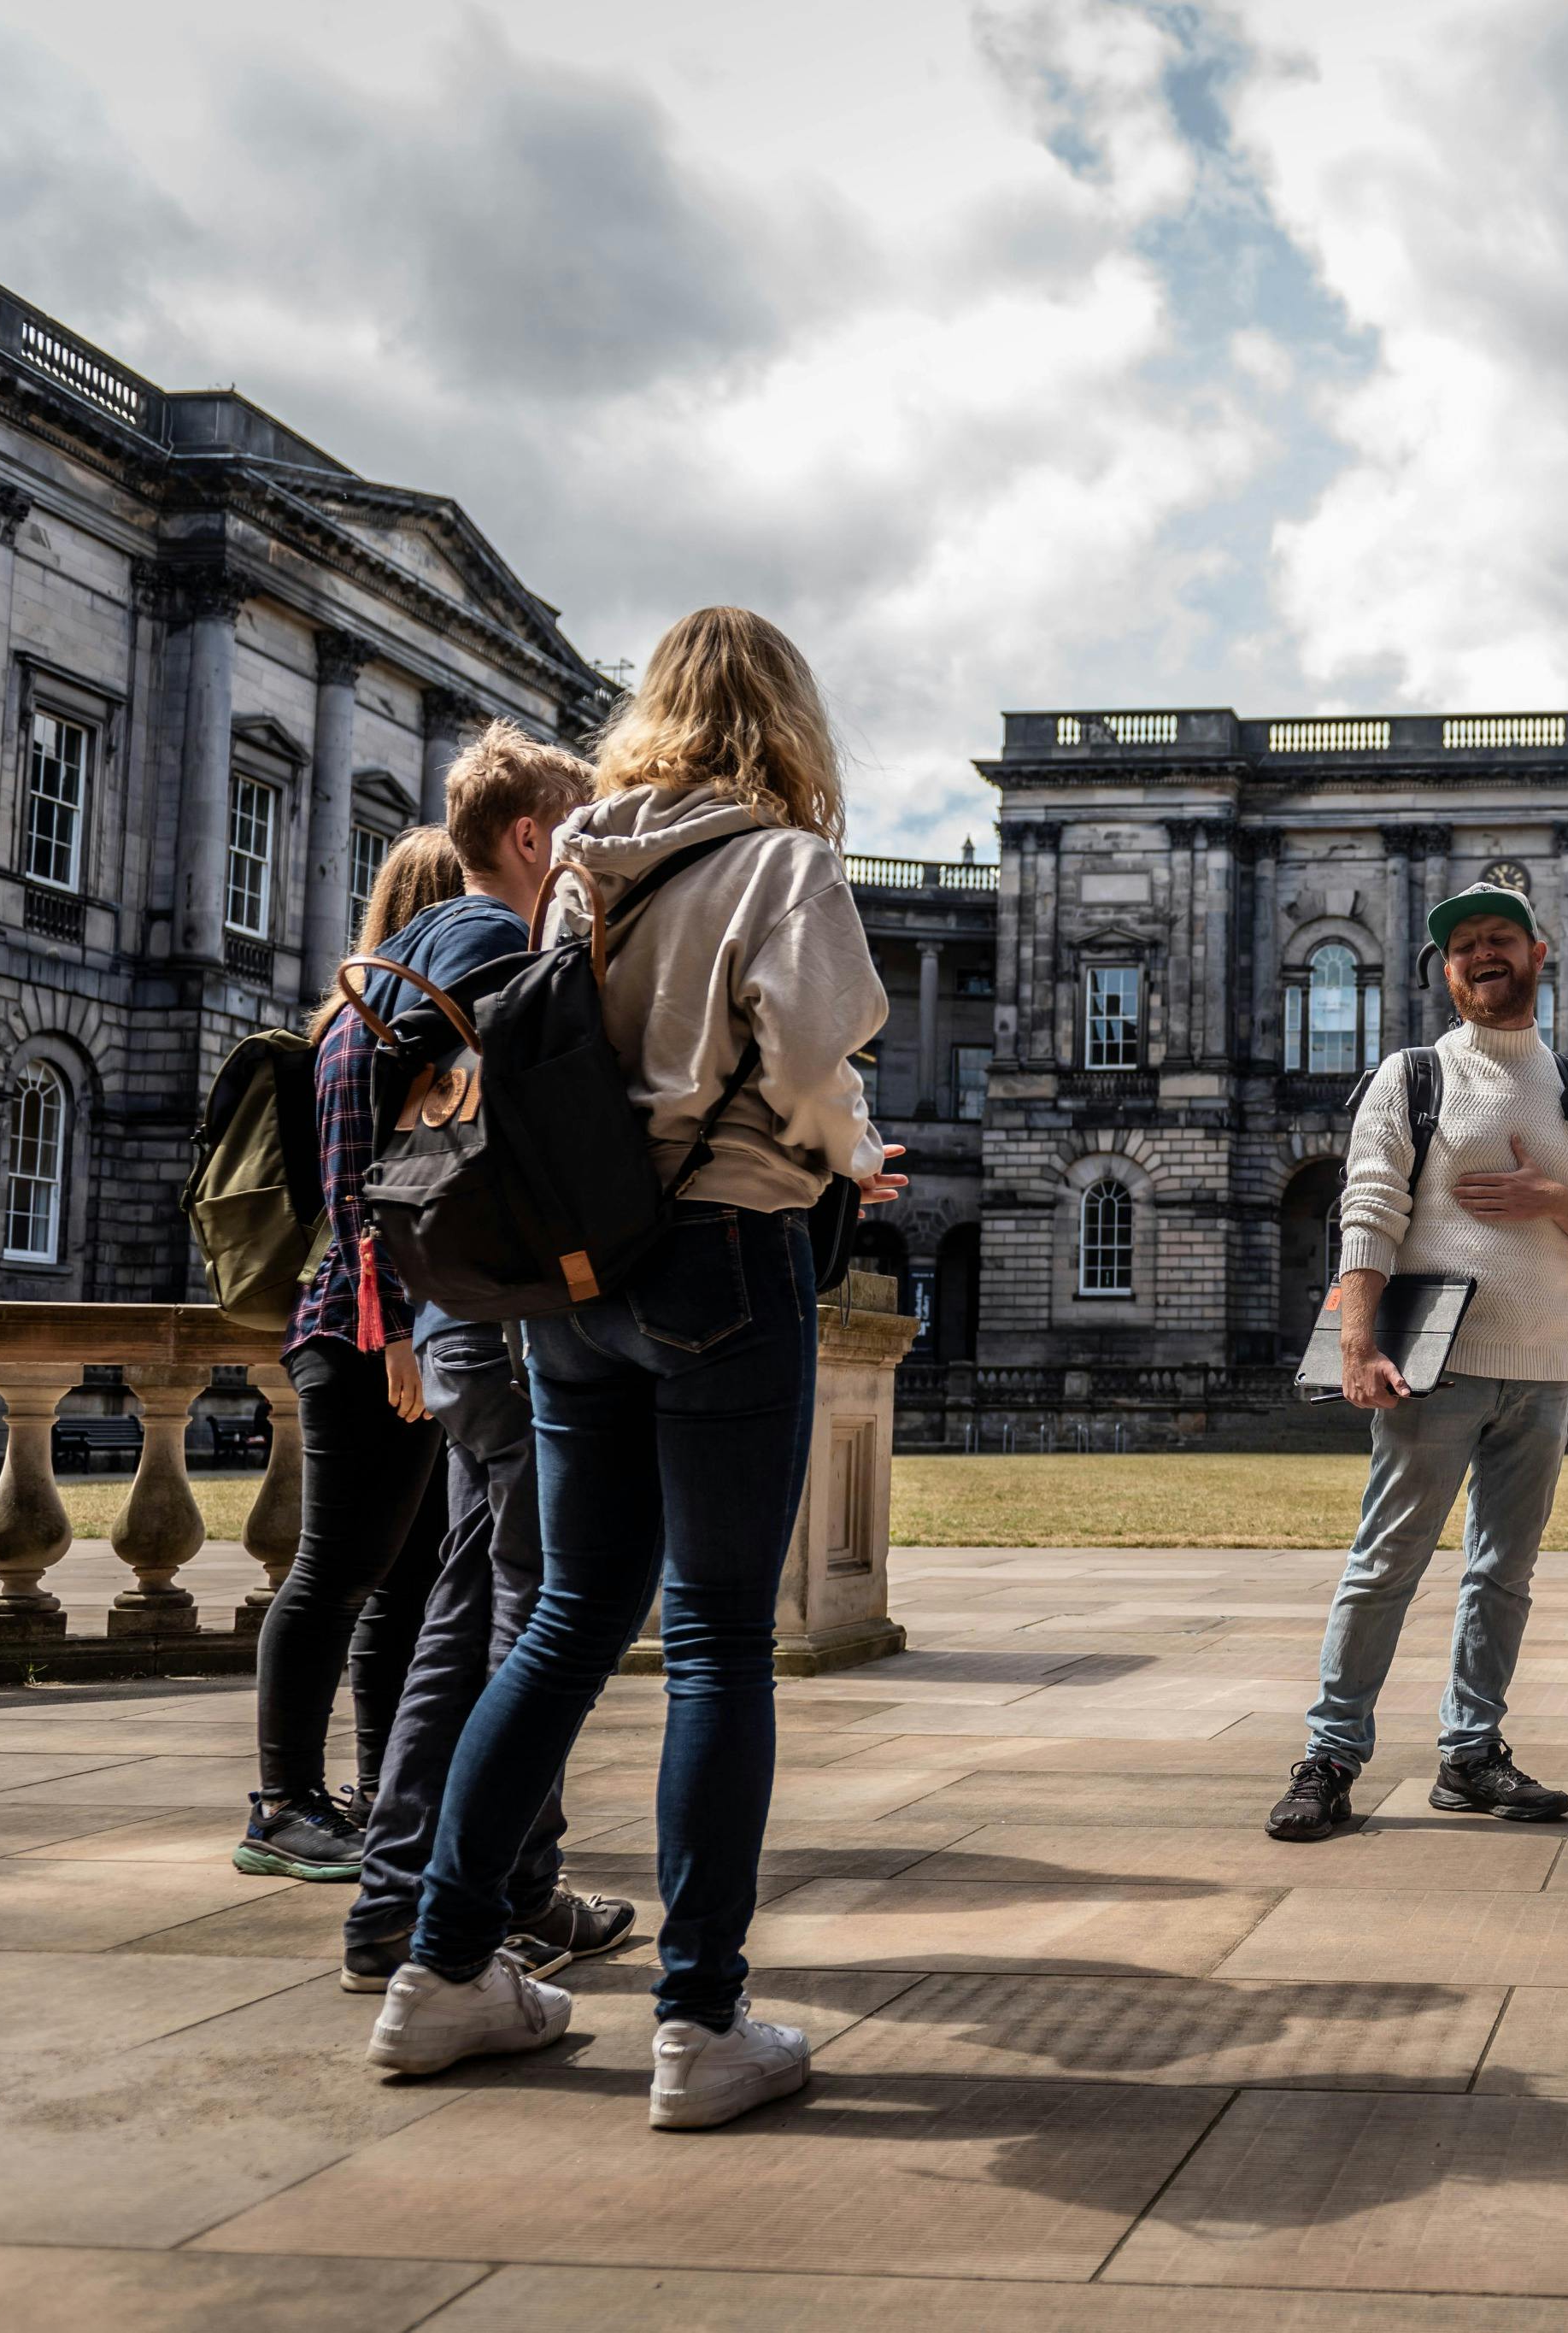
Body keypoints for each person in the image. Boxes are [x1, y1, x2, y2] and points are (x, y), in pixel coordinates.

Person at [367, 608, 905, 2131]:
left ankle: (443, 1975)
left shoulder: (581, 857)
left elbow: (564, 1072)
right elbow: (807, 1065)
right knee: (723, 1642)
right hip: (722, 1265)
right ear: (787, 720)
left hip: (575, 1284)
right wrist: (840, 1157)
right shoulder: (781, 859)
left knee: (558, 1628)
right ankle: (700, 2022)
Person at [340, 726, 637, 1996]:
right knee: (539, 1614)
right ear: (531, 837)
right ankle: (485, 1902)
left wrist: (407, 1315)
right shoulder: (492, 950)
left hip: (456, 1316)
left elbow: (358, 1167)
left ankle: (406, 1903)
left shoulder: (389, 963)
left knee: (469, 1616)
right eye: (577, 838)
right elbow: (537, 1141)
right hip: (507, 1319)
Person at [1263, 875, 1568, 1848]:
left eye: (1499, 939)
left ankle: (1470, 1754)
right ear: (1444, 971)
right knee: (1384, 1564)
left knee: (1502, 1576)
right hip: (1432, 1366)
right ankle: (1330, 1757)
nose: (1482, 954)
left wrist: (1548, 1198)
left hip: (1545, 1369)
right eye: (1463, 944)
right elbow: (1370, 1208)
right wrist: (1355, 1341)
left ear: (1534, 957)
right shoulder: (1412, 1077)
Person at [235, 827, 484, 1888]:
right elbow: (358, 1200)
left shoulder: (397, 1035)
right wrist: (393, 1333)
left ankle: (392, 1798)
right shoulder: (361, 1035)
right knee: (334, 1574)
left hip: (394, 1330)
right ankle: (282, 1805)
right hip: (359, 1333)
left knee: (408, 1583)